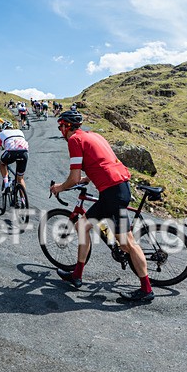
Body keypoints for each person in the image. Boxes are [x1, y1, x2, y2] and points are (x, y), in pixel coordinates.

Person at [49, 110, 154, 303]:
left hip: (112, 193)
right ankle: (77, 275)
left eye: (60, 126)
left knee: (126, 243)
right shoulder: (94, 135)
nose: (60, 130)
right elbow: (104, 163)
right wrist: (88, 178)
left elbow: (72, 179)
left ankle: (146, 289)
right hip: (118, 188)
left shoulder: (74, 141)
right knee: (83, 227)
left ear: (67, 126)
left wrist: (59, 188)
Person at [0, 121, 29, 196]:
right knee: (20, 178)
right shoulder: (19, 131)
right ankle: (23, 200)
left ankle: (6, 184)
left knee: (2, 163)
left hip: (11, 152)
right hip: (24, 152)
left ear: (3, 128)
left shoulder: (1, 134)